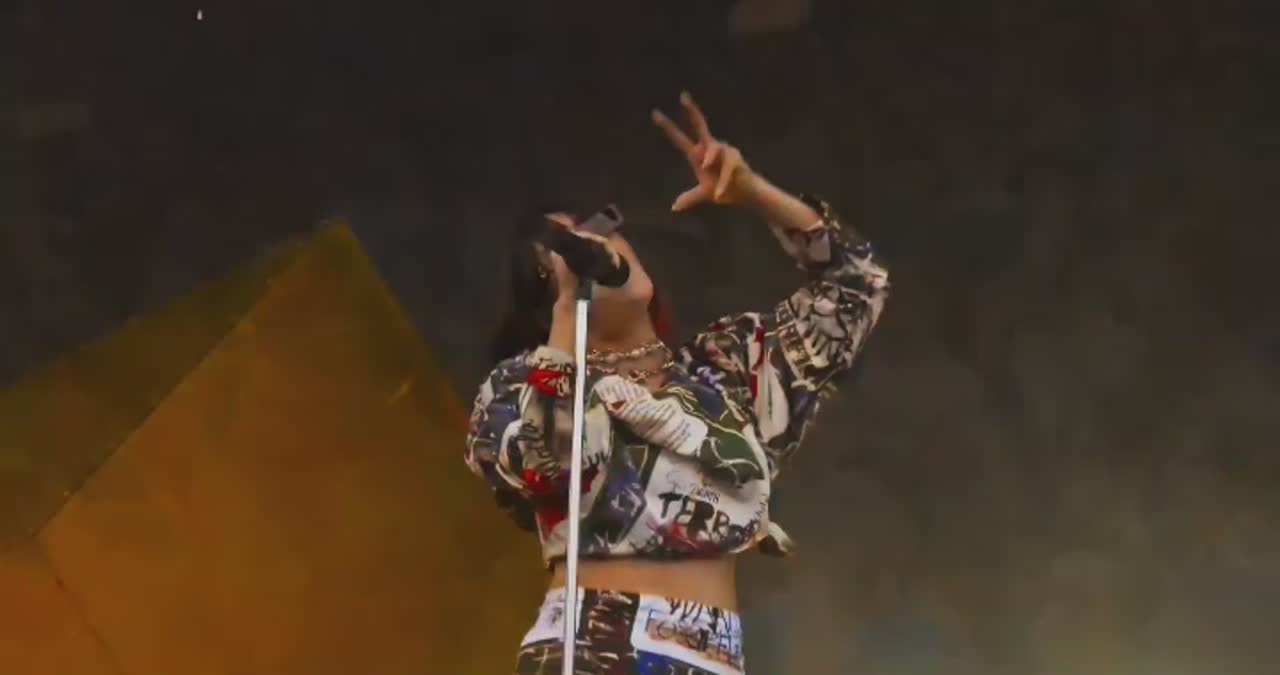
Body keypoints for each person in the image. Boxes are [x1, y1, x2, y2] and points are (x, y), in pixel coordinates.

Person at [465, 92, 890, 674]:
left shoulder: (726, 372)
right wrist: (568, 317)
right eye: (566, 252)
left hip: (713, 656)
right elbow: (546, 464)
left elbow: (856, 289)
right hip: (591, 650)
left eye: (596, 233)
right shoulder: (520, 385)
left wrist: (756, 194)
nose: (597, 250)